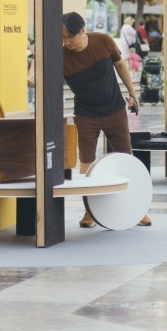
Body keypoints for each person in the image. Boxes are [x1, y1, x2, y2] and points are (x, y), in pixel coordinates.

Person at [60, 12, 152, 229]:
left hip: (114, 110)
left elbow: (120, 66)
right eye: (63, 38)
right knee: (87, 164)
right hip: (85, 114)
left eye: (70, 37)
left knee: (125, 158)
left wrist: (132, 94)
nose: (67, 42)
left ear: (82, 30)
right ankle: (90, 212)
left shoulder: (103, 41)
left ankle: (136, 210)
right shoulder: (61, 55)